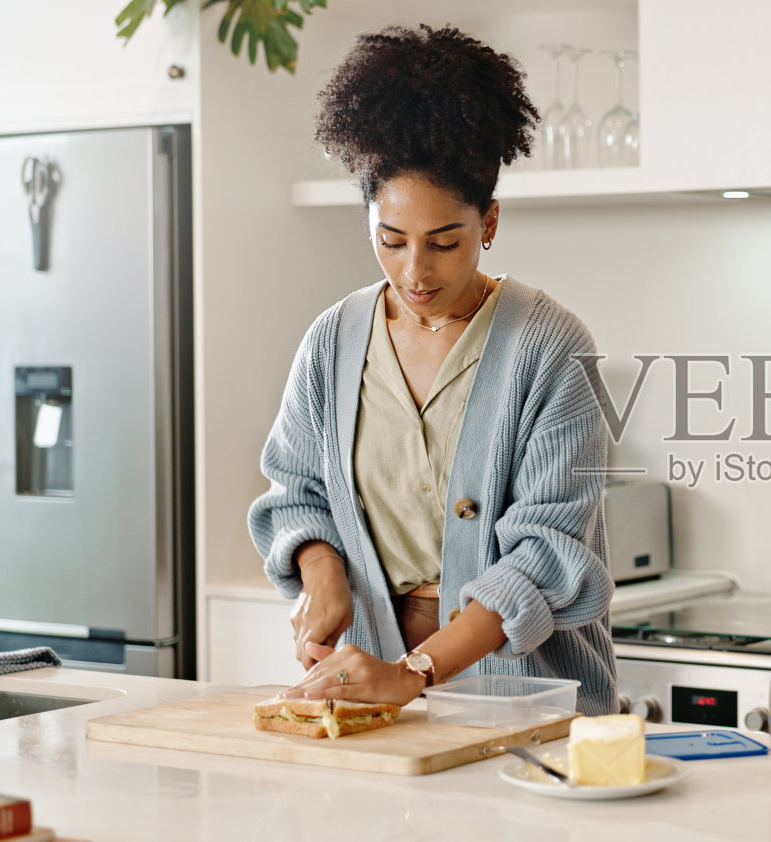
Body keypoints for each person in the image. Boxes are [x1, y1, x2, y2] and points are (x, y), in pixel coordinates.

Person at [247, 25, 615, 713]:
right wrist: (322, 573)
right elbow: (296, 494)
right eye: (391, 240)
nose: (416, 271)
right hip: (365, 701)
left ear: (490, 223)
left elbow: (544, 554)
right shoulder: (331, 342)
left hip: (522, 706)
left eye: (445, 243)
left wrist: (414, 672)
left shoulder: (549, 348)